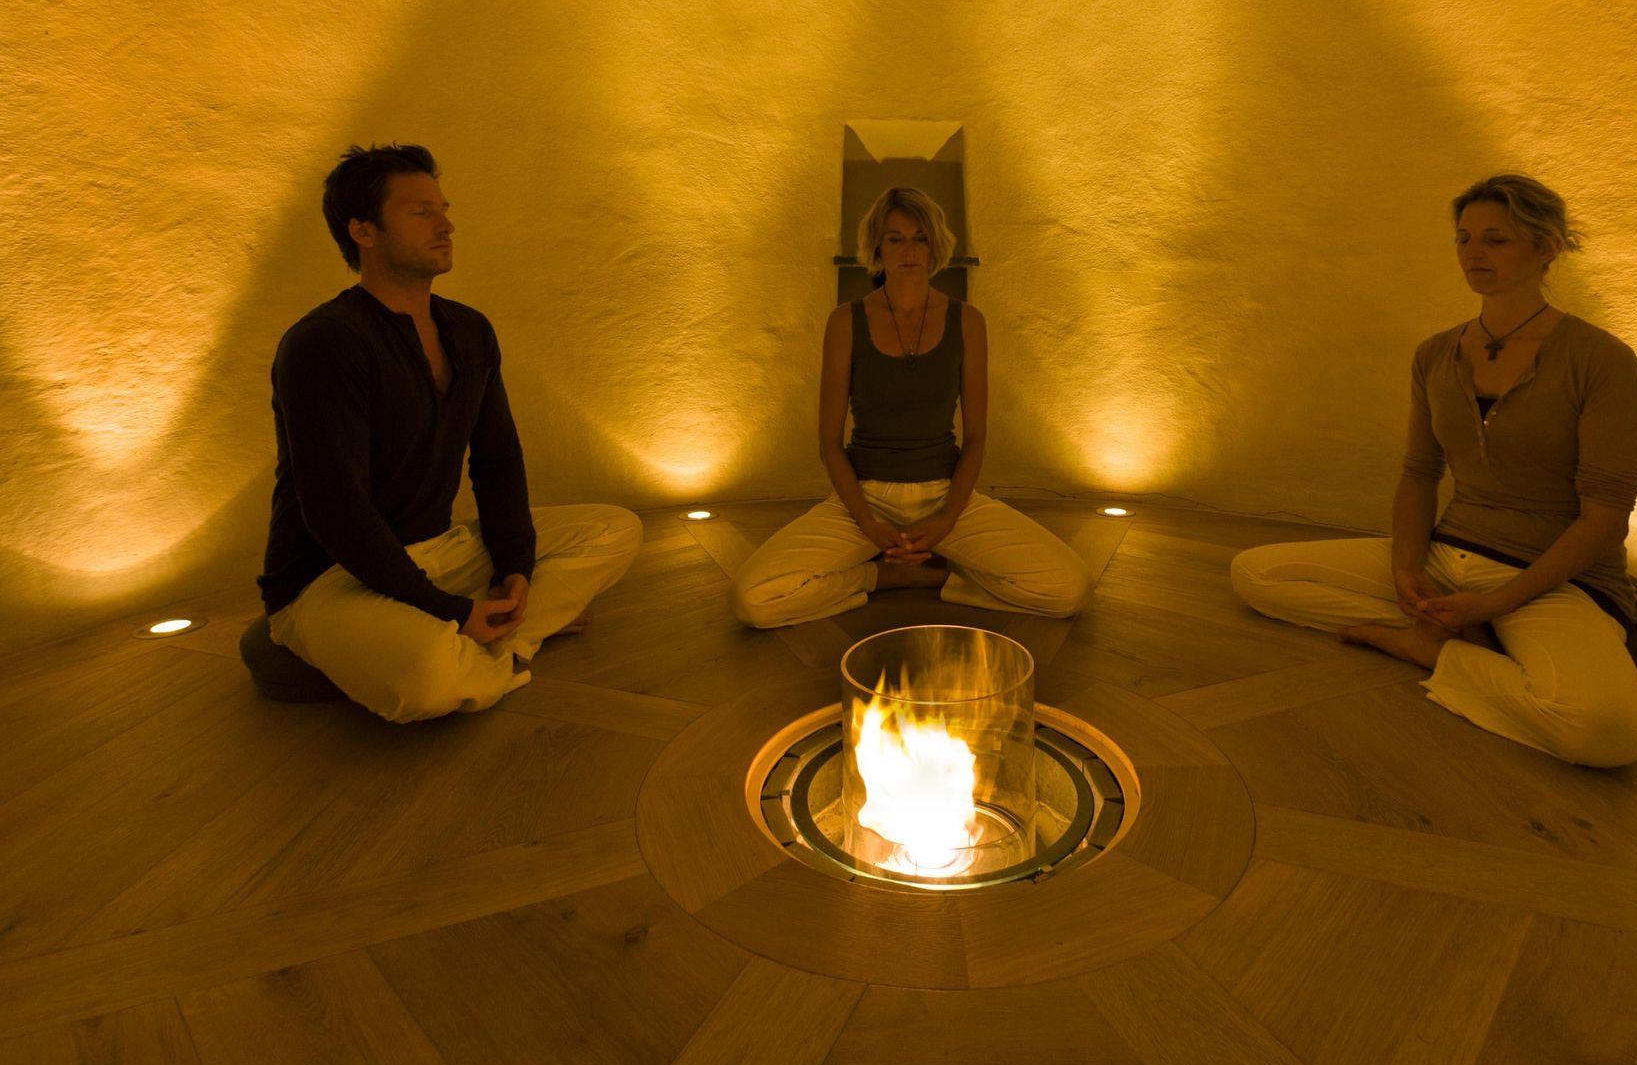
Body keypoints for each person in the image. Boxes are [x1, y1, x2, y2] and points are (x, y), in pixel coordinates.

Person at [1231, 174, 1637, 766]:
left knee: (1606, 733)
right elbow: (1418, 474)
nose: (1474, 253)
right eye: (1464, 238)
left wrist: (1496, 603)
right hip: (1447, 557)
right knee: (1256, 574)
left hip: (1549, 579)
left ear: (1548, 248)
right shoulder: (1435, 354)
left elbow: (1605, 519)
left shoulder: (1602, 360)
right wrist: (1406, 570)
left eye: (1496, 240)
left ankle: (1437, 651)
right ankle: (1455, 633)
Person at [257, 144, 642, 722]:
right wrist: (451, 610)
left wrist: (514, 569)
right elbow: (334, 510)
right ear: (363, 231)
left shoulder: (468, 330)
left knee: (615, 529)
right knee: (427, 681)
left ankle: (494, 637)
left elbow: (497, 458)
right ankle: (501, 642)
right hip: (332, 577)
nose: (446, 225)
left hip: (441, 549)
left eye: (443, 209)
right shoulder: (325, 343)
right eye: (421, 212)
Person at [730, 186, 1090, 627]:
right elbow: (829, 442)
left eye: (921, 238)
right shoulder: (845, 322)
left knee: (1069, 588)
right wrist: (866, 522)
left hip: (944, 494)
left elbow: (976, 438)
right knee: (753, 599)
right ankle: (881, 577)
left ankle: (939, 578)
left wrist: (947, 519)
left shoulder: (968, 322)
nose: (909, 250)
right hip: (864, 497)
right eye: (895, 238)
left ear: (935, 246)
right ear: (877, 247)